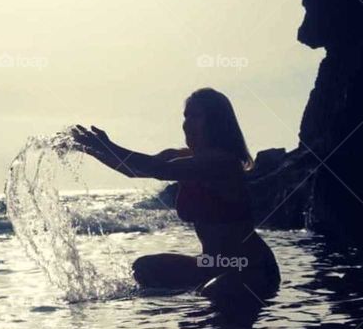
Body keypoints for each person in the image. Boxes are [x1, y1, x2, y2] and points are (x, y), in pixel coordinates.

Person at [71, 88, 280, 301]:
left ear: (215, 122)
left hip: (251, 268)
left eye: (196, 116)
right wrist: (90, 149)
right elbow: (133, 170)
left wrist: (108, 145)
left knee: (212, 294)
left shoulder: (222, 163)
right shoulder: (184, 157)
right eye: (186, 116)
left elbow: (159, 169)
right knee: (144, 269)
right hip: (211, 264)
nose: (187, 123)